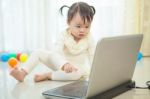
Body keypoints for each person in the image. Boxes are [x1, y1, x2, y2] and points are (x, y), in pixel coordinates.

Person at [10, 2, 96, 82]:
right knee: (39, 52)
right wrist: (64, 64)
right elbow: (56, 52)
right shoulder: (63, 35)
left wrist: (95, 73)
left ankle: (49, 75)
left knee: (77, 74)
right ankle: (22, 73)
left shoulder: (89, 38)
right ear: (68, 22)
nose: (82, 30)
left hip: (75, 69)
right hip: (59, 63)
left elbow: (93, 56)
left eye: (87, 27)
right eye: (78, 26)